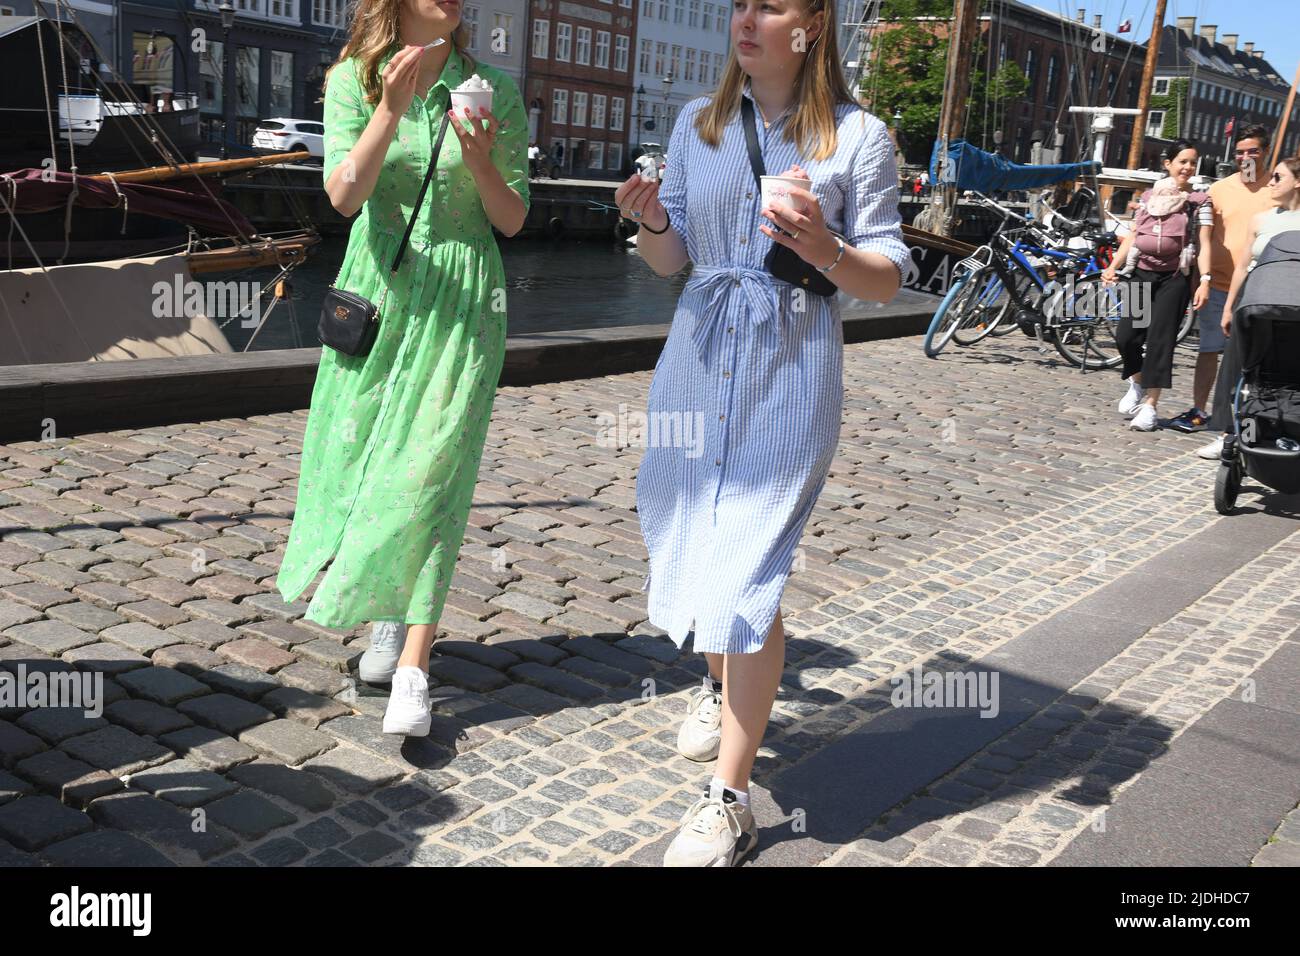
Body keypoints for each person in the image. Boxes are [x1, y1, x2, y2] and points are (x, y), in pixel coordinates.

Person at [613, 0, 908, 866]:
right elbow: (674, 261)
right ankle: (719, 683)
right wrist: (652, 220)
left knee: (746, 570)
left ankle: (728, 799)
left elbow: (887, 277)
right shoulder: (697, 125)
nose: (745, 19)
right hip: (698, 359)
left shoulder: (860, 138)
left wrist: (822, 244)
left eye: (767, 6)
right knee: (686, 536)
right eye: (739, 4)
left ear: (810, 24)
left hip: (790, 368)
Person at [274, 0, 529, 737]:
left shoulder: (493, 90)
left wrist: (481, 162)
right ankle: (389, 611)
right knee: (361, 462)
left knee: (431, 470)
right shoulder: (354, 79)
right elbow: (344, 197)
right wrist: (389, 108)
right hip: (380, 288)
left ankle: (413, 665)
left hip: (463, 297)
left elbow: (511, 219)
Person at [1164, 125, 1278, 435]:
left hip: (1259, 285)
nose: (1245, 158)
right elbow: (1205, 238)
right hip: (1219, 284)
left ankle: (1244, 418)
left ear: (1265, 152)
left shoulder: (1278, 189)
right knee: (1208, 349)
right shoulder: (1220, 189)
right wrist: (1200, 278)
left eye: (1252, 151)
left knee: (1251, 357)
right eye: (1240, 152)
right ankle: (1200, 410)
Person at [1102, 139, 1213, 432]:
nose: (1188, 168)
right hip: (1142, 273)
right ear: (1168, 164)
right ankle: (1137, 382)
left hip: (1174, 278)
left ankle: (1151, 406)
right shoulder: (1150, 196)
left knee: (1160, 342)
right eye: (1183, 162)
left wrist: (1204, 279)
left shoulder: (1199, 201)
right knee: (1127, 337)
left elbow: (1204, 242)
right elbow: (1134, 233)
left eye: (1192, 163)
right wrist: (1113, 266)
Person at [1197, 155, 1300, 458]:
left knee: (1284, 372)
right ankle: (1232, 434)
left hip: (1294, 302)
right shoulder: (1262, 219)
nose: (1270, 182)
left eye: (1278, 177)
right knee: (1238, 368)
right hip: (1255, 300)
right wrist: (1230, 307)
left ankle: (1286, 430)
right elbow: (1242, 267)